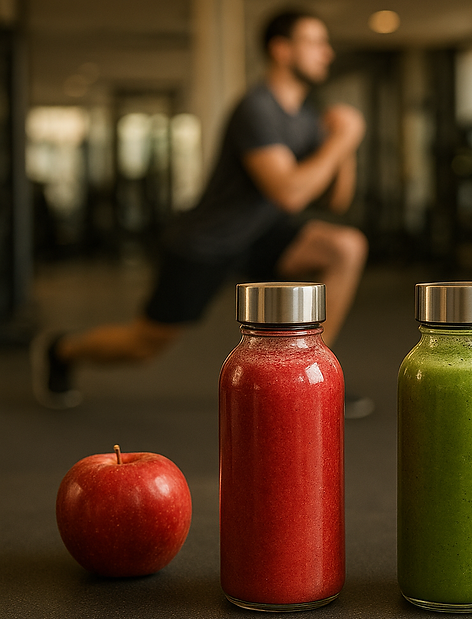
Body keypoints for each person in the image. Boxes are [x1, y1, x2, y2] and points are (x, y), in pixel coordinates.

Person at [32, 9, 373, 418]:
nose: (327, 52)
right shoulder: (257, 108)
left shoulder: (305, 117)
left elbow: (336, 201)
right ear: (281, 50)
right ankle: (63, 350)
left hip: (261, 235)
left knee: (346, 246)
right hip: (208, 241)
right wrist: (344, 138)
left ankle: (312, 379)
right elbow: (289, 192)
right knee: (143, 345)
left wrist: (342, 145)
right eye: (315, 42)